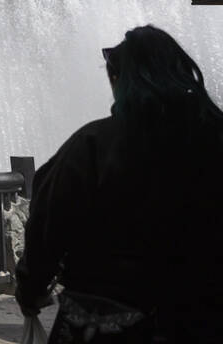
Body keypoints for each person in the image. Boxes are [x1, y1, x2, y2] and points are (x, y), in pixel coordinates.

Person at [15, 25, 223, 343]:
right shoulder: (214, 137)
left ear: (120, 81)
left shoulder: (92, 145)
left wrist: (31, 288)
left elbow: (49, 224)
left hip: (105, 317)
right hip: (202, 311)